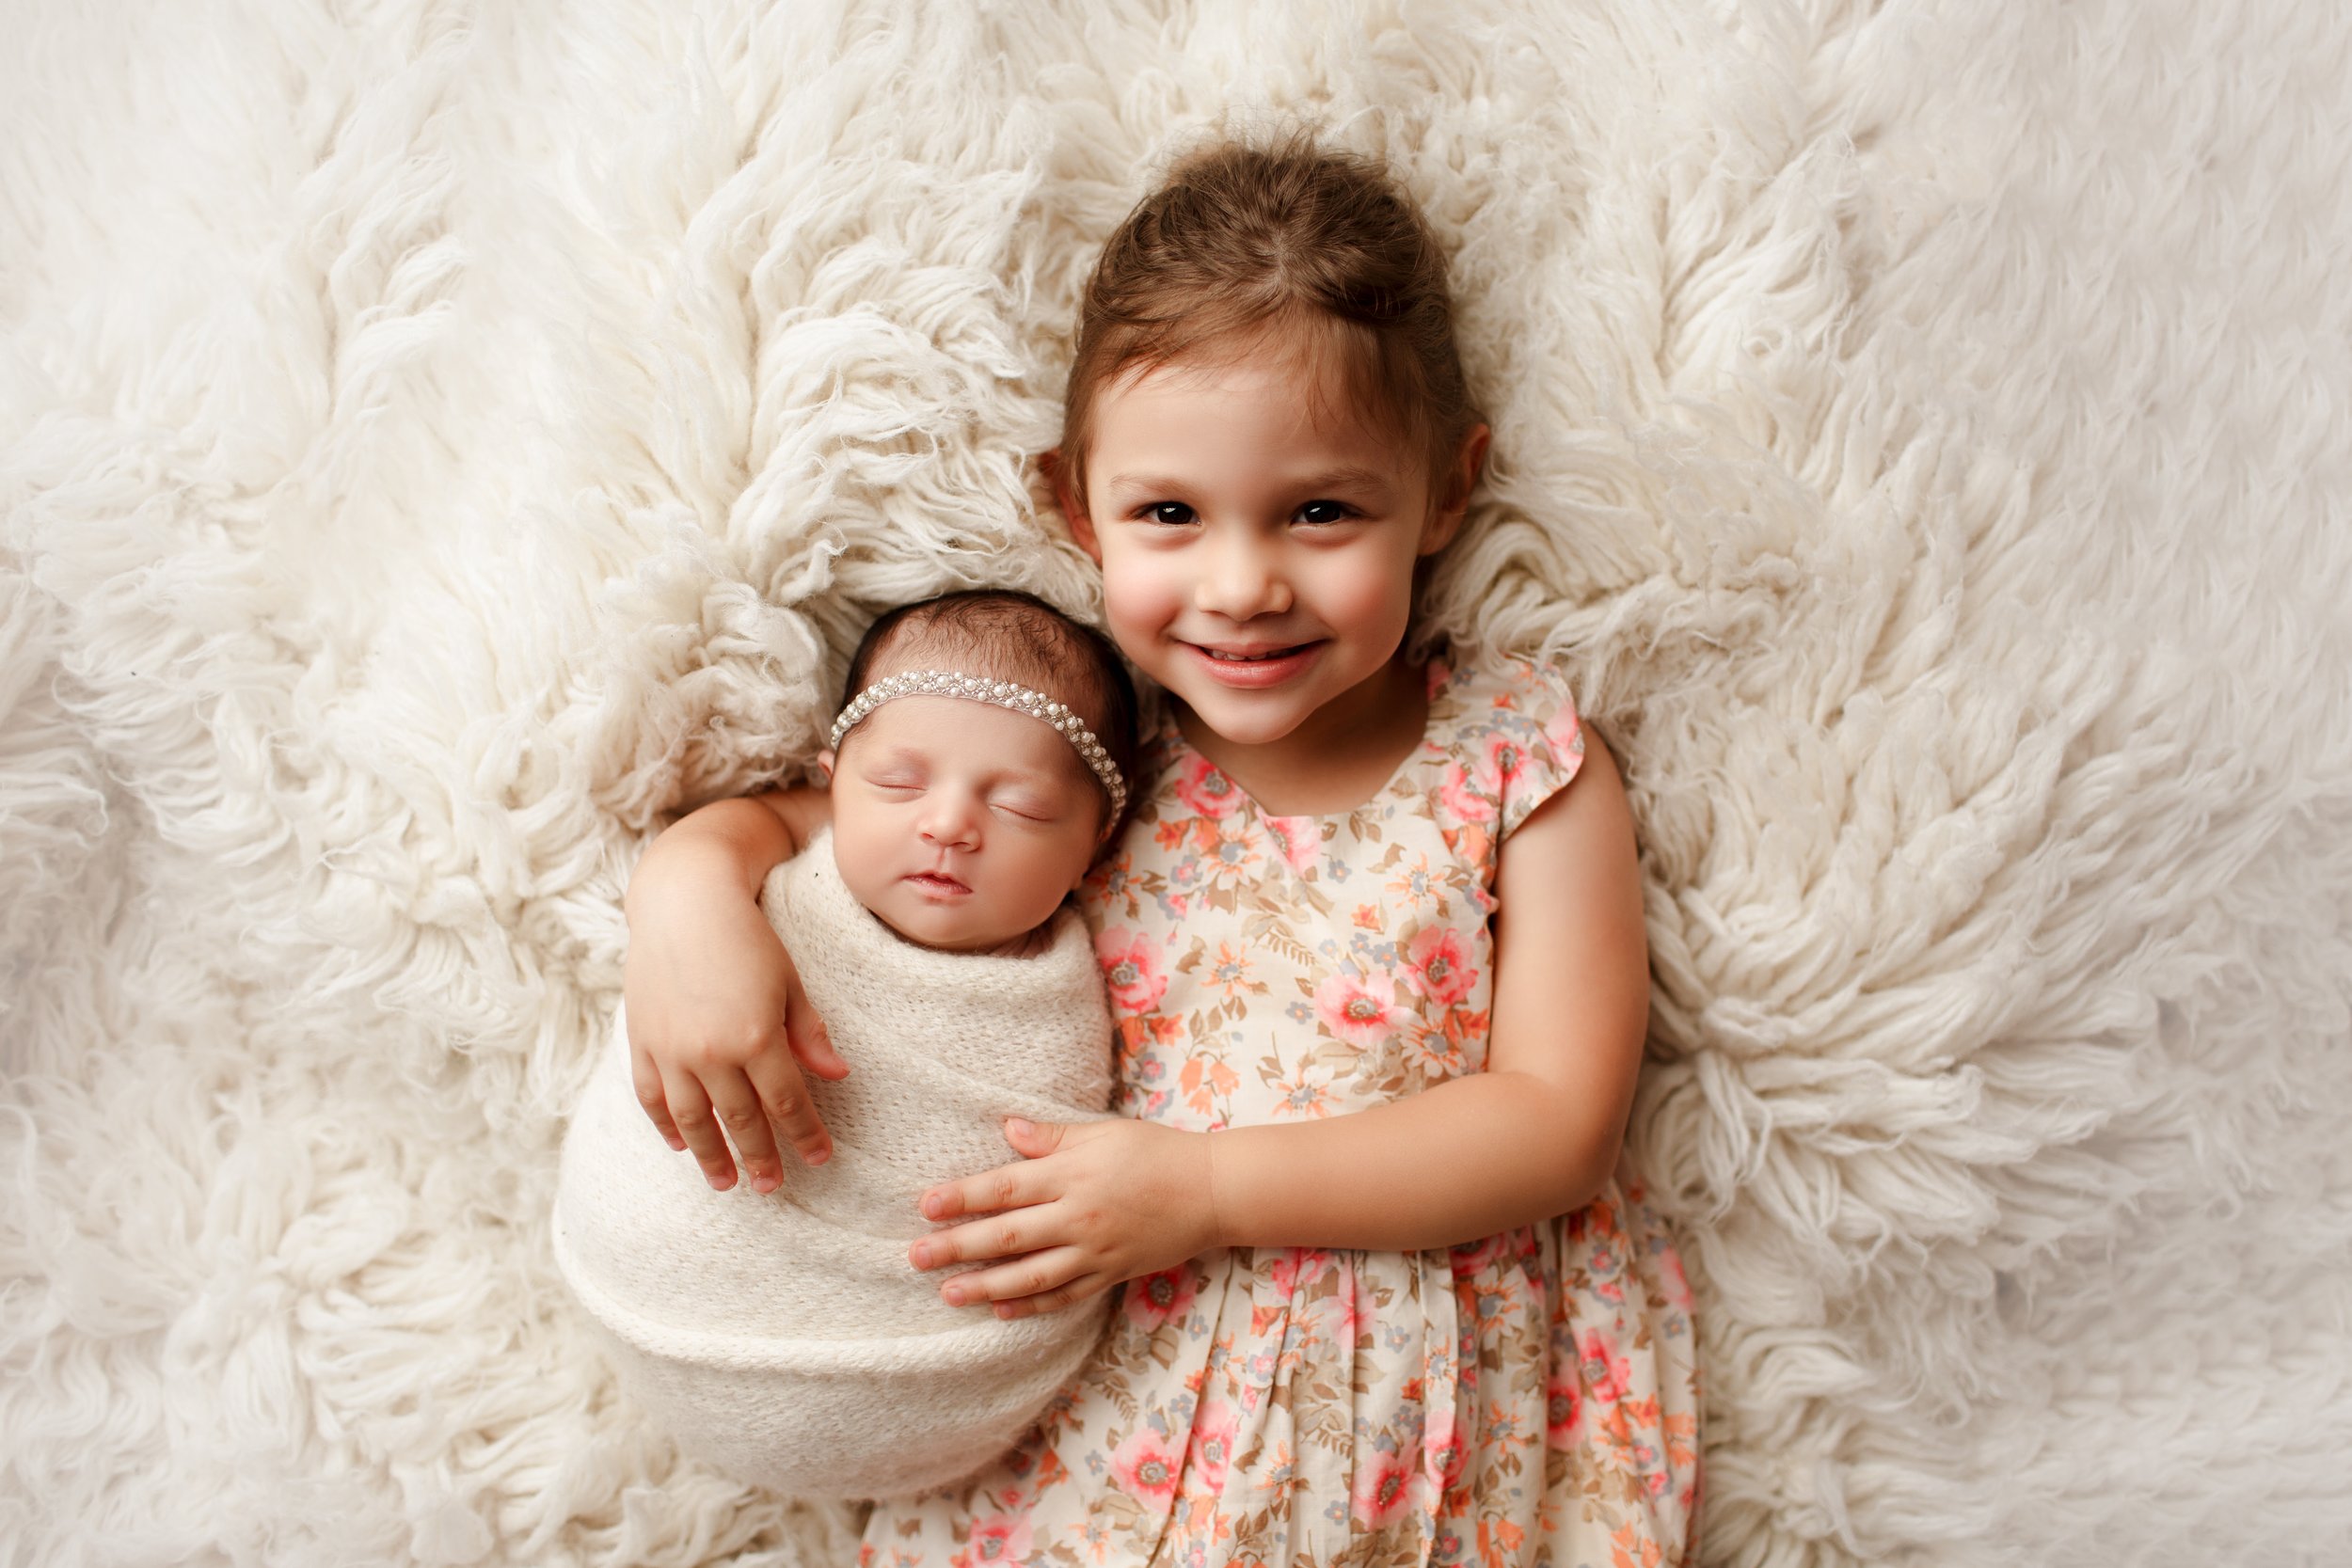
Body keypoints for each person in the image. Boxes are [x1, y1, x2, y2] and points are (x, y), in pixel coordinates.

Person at [619, 127, 1701, 1565]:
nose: (1243, 583)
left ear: (1446, 490)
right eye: (1169, 515)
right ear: (1079, 506)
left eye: (1323, 511)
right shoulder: (1074, 751)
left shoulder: (1514, 757)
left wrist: (1205, 1189)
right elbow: (812, 832)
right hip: (1108, 1416)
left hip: (1402, 1421)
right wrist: (684, 888)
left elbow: (1559, 1122)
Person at [551, 590, 1140, 1500]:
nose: (947, 824)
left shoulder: (1062, 1001)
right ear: (829, 780)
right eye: (898, 785)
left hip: (929, 1378)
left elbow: (1055, 1190)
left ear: (1096, 841)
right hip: (654, 1278)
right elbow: (738, 834)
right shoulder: (777, 878)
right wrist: (692, 899)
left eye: (1022, 805)